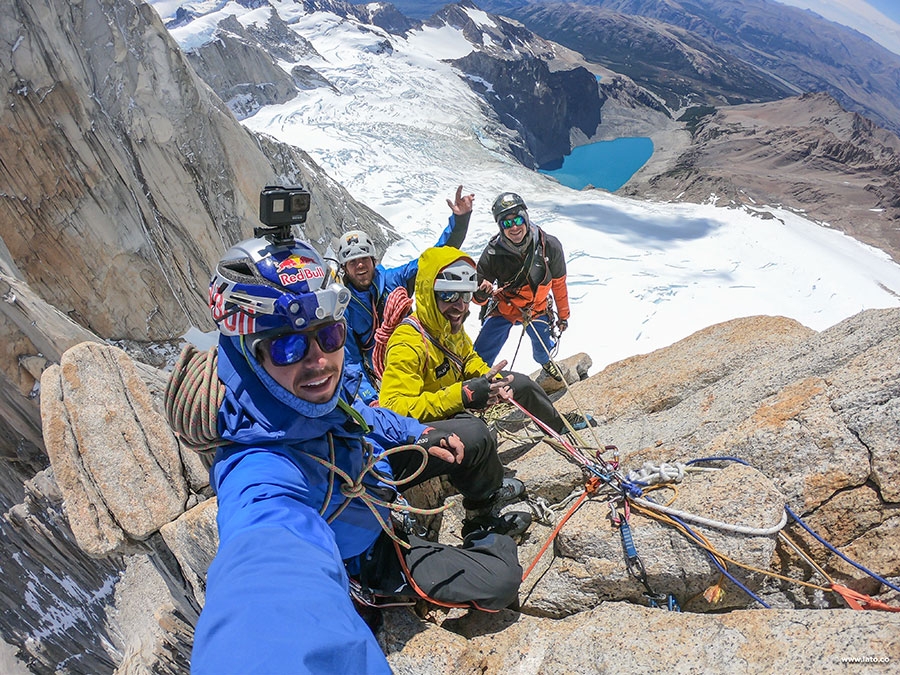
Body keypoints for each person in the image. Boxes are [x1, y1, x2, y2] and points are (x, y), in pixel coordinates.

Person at [191, 235, 527, 674]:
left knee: (472, 435)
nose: (319, 362)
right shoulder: (260, 470)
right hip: (374, 558)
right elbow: (267, 580)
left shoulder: (308, 396)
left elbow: (360, 416)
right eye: (287, 346)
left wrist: (416, 431)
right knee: (501, 582)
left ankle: (484, 514)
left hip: (372, 481)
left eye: (329, 334)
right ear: (247, 355)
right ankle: (486, 542)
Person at [377, 246, 586, 439]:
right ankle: (490, 480)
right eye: (449, 295)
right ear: (429, 295)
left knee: (521, 383)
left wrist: (487, 379)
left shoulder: (447, 324)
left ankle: (556, 425)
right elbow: (393, 408)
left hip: (456, 399)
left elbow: (467, 357)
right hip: (431, 417)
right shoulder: (407, 343)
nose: (460, 306)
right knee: (479, 434)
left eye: (465, 295)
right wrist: (461, 395)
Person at [338, 185, 474, 405]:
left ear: (374, 260)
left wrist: (459, 221)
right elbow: (351, 361)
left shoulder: (395, 279)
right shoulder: (344, 309)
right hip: (388, 375)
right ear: (345, 268)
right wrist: (370, 398)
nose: (360, 265)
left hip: (420, 355)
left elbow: (433, 260)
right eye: (353, 262)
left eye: (364, 259)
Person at [473, 192, 571, 382]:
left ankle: (545, 361)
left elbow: (559, 285)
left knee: (542, 349)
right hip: (506, 309)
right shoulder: (492, 253)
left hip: (537, 308)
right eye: (506, 223)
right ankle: (476, 385)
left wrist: (564, 317)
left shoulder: (549, 246)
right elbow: (478, 298)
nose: (514, 227)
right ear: (500, 226)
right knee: (481, 355)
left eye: (517, 219)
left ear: (525, 217)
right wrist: (480, 292)